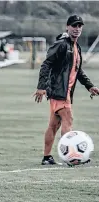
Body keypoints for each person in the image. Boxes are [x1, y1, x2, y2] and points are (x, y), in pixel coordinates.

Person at [33, 15, 99, 165]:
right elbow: (46, 64)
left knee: (53, 125)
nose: (77, 29)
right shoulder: (62, 44)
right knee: (68, 120)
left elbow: (78, 71)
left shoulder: (76, 46)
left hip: (63, 92)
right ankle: (72, 158)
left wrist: (89, 86)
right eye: (74, 26)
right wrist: (41, 86)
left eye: (79, 26)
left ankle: (47, 157)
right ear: (67, 27)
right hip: (59, 91)